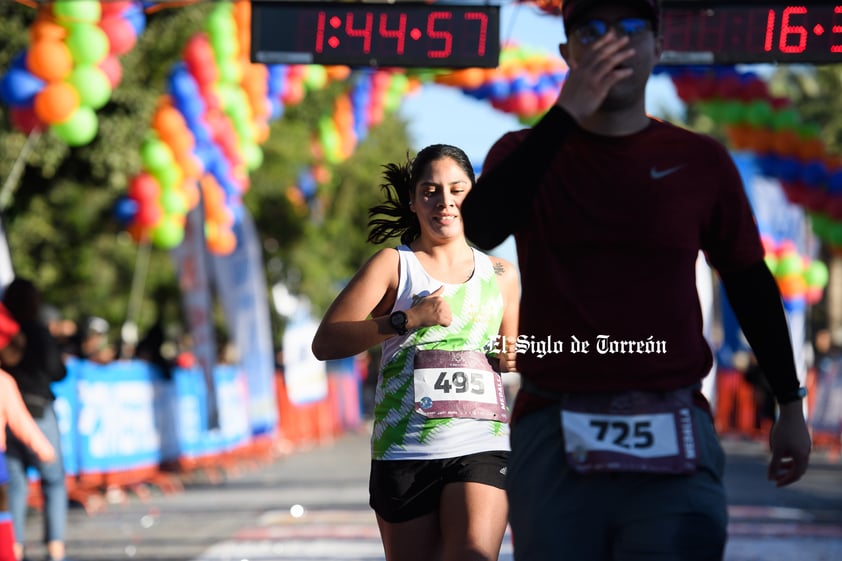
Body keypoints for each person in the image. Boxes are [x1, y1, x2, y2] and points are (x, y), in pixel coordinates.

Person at [460, 1, 812, 559]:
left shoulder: (699, 160)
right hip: (556, 420)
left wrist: (790, 404)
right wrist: (565, 116)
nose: (613, 44)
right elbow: (480, 228)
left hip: (672, 415)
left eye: (630, 29)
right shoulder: (522, 152)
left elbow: (748, 280)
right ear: (567, 53)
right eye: (593, 31)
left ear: (658, 47)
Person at [311, 144, 520, 561]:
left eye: (457, 190)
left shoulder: (501, 274)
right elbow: (327, 342)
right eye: (430, 190)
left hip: (481, 441)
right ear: (413, 199)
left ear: (472, 195)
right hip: (405, 449)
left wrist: (514, 355)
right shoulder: (393, 264)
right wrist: (405, 319)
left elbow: (510, 350)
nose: (445, 202)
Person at [2, 278, 70, 561]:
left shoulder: (5, 332)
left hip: (7, 423)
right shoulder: (36, 333)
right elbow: (57, 371)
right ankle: (55, 549)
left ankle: (13, 548)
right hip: (37, 410)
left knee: (14, 486)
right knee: (53, 480)